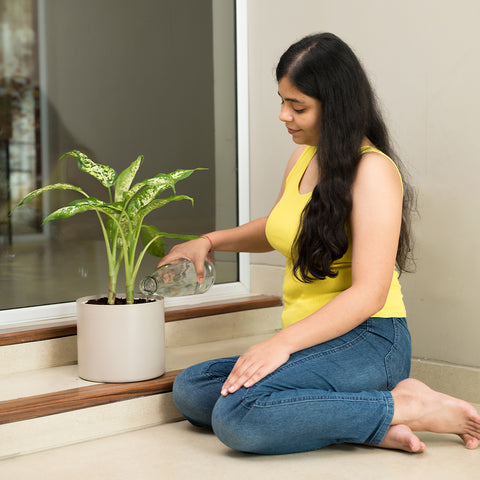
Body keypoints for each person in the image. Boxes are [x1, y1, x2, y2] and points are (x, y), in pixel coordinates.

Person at [159, 33, 480, 455]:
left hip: (369, 339)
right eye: (282, 101)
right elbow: (279, 228)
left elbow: (369, 294)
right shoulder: (303, 157)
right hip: (310, 338)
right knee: (193, 390)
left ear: (338, 106)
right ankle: (374, 421)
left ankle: (406, 403)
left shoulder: (373, 173)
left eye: (298, 106)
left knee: (237, 415)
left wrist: (279, 344)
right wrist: (208, 240)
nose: (283, 115)